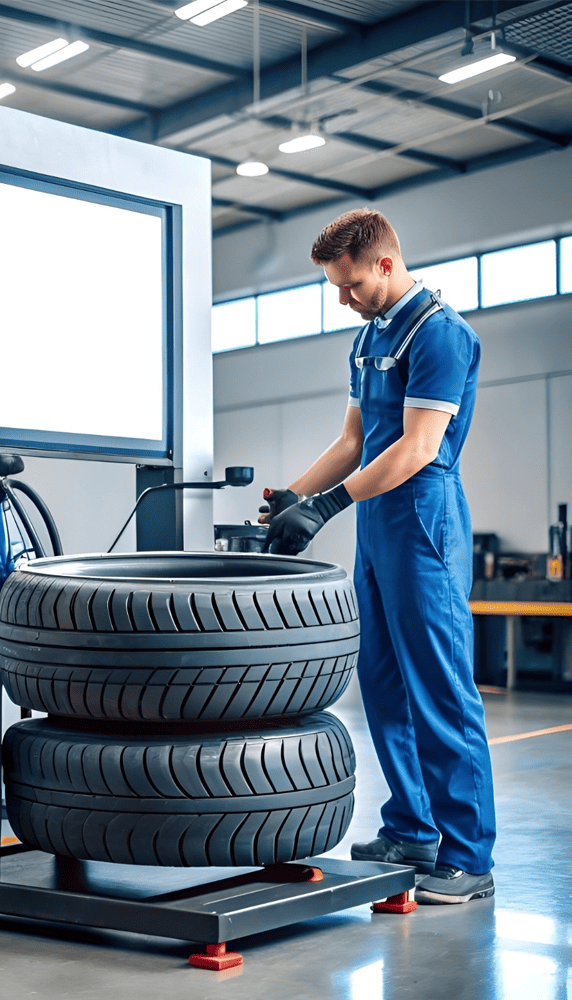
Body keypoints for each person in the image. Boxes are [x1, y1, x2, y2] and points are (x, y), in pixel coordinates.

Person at [260, 208, 495, 905]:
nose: (344, 298)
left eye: (352, 283)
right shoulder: (367, 341)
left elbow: (418, 448)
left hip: (424, 522)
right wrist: (290, 497)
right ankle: (412, 830)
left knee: (440, 689)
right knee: (384, 681)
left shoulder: (442, 336)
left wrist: (329, 506)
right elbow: (352, 441)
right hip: (378, 524)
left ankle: (467, 856)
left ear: (386, 265)